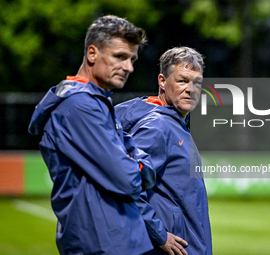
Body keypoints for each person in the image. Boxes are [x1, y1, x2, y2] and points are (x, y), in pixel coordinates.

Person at [28, 15, 156, 255]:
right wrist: (136, 165)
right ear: (92, 54)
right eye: (120, 56)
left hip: (115, 239)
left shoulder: (97, 102)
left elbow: (138, 166)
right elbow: (128, 180)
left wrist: (135, 165)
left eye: (132, 59)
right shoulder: (79, 106)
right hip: (102, 243)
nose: (129, 67)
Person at [115, 47, 213, 255]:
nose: (190, 89)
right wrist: (159, 234)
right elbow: (126, 184)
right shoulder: (157, 127)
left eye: (197, 82)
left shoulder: (176, 122)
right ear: (162, 81)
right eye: (182, 81)